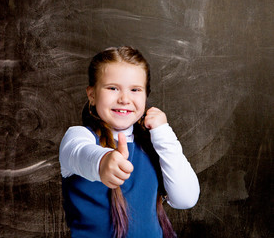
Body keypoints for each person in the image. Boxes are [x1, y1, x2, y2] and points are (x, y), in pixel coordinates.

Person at [59, 46, 200, 238]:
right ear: (92, 95)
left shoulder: (152, 144)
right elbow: (79, 153)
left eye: (135, 89)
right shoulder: (78, 136)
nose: (124, 99)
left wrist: (163, 134)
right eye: (112, 88)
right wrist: (103, 162)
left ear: (145, 96)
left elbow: (186, 199)